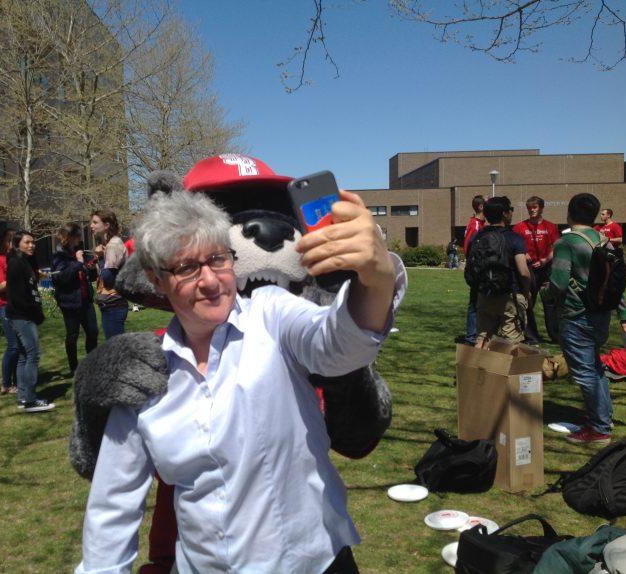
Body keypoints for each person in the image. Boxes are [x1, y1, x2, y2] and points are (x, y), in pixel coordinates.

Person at [76, 188, 406, 574]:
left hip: (315, 564)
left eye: (218, 259)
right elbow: (112, 507)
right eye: (186, 268)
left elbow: (342, 345)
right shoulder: (147, 373)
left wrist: (377, 277)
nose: (211, 281)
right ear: (156, 280)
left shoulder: (271, 314)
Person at [540, 193, 626, 444]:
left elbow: (559, 285)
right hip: (601, 316)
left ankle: (599, 429)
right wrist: (624, 315)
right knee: (595, 368)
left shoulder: (566, 243)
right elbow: (616, 283)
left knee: (585, 373)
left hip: (576, 316)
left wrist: (545, 294)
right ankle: (604, 418)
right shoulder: (604, 239)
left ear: (569, 213)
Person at [6, 231, 55, 413]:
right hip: (22, 316)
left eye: (33, 242)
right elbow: (17, 296)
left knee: (23, 357)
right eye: (27, 242)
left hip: (23, 315)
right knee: (33, 355)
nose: (31, 245)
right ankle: (30, 399)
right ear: (17, 244)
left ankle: (23, 397)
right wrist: (33, 313)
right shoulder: (16, 264)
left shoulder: (26, 262)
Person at [473, 196, 531, 348]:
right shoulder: (514, 238)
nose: (512, 212)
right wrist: (526, 291)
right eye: (511, 209)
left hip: (485, 294)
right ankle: (508, 372)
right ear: (505, 214)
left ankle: (476, 370)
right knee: (513, 341)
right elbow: (523, 272)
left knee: (482, 339)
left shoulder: (478, 237)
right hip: (510, 295)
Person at [51, 223, 99, 375]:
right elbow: (61, 278)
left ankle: (91, 364)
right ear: (68, 237)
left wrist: (90, 269)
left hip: (85, 300)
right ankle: (74, 367)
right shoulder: (59, 256)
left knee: (93, 332)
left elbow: (88, 275)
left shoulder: (78, 253)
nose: (79, 238)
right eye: (77, 236)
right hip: (70, 301)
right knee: (72, 336)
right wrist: (78, 263)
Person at [512, 196, 560, 344]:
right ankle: (529, 334)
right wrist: (524, 254)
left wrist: (545, 260)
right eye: (529, 208)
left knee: (549, 302)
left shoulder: (550, 226)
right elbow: (515, 246)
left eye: (535, 207)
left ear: (541, 208)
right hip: (529, 269)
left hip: (546, 269)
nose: (532, 210)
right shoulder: (519, 227)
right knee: (527, 301)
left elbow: (556, 247)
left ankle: (555, 335)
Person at [90, 209, 129, 339]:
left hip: (114, 305)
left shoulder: (113, 245)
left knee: (116, 350)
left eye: (95, 222)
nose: (91, 226)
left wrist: (100, 258)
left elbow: (108, 278)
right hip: (112, 305)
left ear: (106, 225)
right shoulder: (111, 244)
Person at [0, 229, 19, 395]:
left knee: (22, 346)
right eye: (11, 241)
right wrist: (16, 275)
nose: (14, 245)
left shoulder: (19, 259)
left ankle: (18, 381)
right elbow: (0, 286)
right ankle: (6, 383)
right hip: (6, 306)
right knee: (13, 346)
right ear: (5, 242)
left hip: (21, 307)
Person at [457, 195, 485, 345]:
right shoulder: (475, 225)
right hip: (477, 271)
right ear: (480, 207)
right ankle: (471, 336)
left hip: (477, 269)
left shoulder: (479, 224)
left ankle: (476, 334)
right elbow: (468, 247)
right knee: (474, 304)